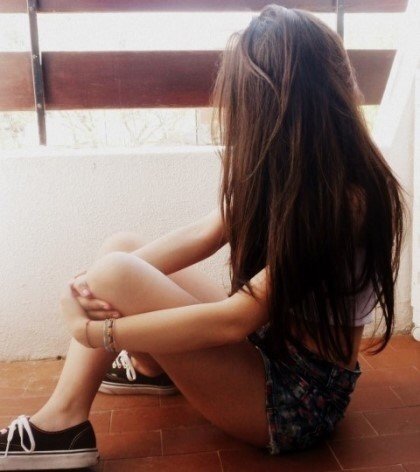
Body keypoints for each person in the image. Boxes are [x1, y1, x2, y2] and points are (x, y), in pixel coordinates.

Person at [0, 4, 405, 470]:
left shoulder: (347, 201)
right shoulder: (287, 172)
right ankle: (151, 368)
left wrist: (97, 333)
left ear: (269, 107)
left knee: (115, 272)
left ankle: (62, 425)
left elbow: (234, 320)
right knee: (120, 251)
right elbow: (203, 233)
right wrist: (82, 285)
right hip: (268, 350)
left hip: (295, 403)